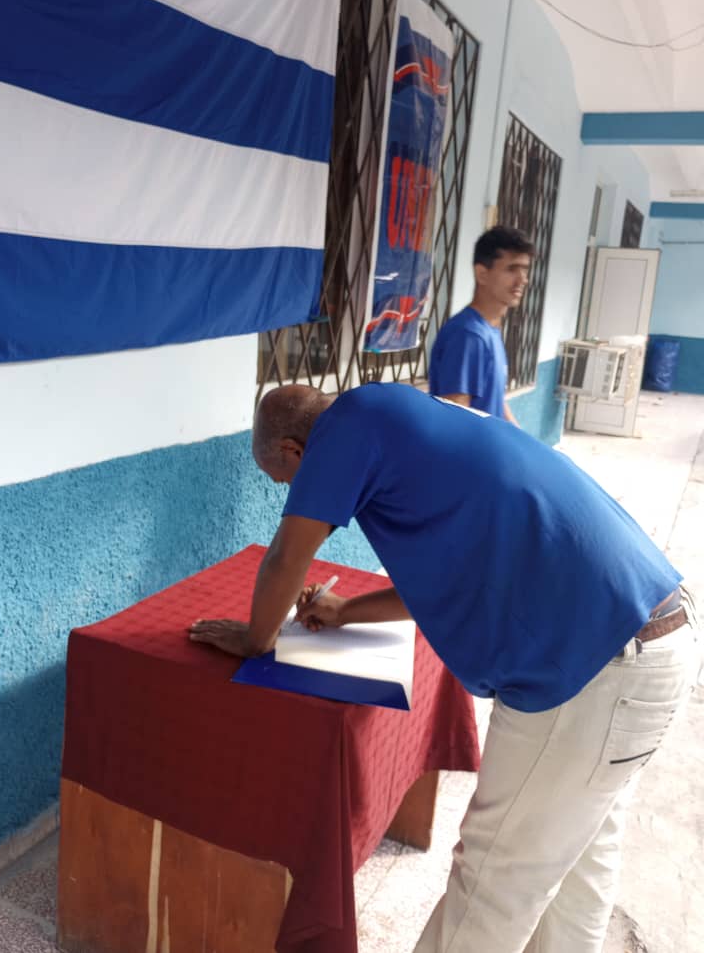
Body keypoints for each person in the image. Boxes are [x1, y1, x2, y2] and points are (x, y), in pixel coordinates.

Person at [189, 382, 698, 953]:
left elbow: (287, 556)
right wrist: (347, 612)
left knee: (492, 885)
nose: (294, 494)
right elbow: (449, 577)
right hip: (653, 634)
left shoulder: (342, 429)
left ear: (292, 450)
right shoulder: (399, 413)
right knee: (577, 870)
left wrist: (257, 639)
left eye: (284, 481)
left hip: (593, 668)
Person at [429, 225, 534, 423]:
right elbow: (455, 417)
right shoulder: (468, 335)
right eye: (512, 269)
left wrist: (520, 438)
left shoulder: (489, 330)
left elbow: (495, 401)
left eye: (525, 270)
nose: (522, 280)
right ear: (482, 274)